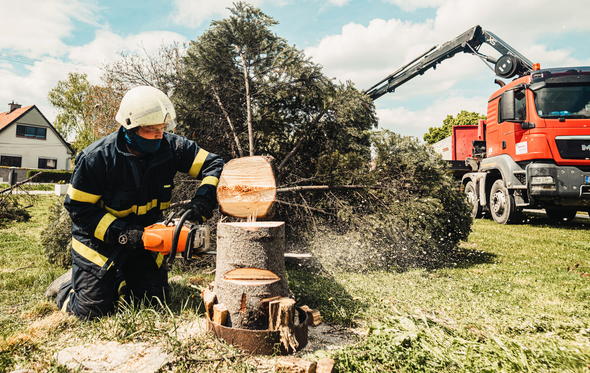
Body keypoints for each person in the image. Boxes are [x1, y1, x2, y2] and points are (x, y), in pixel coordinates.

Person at [51, 86, 224, 319]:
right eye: (151, 129)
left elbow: (214, 165)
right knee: (91, 311)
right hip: (98, 242)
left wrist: (203, 200)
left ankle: (118, 279)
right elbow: (79, 209)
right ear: (129, 128)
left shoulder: (172, 148)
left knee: (153, 302)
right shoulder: (96, 158)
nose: (159, 135)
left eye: (163, 128)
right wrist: (123, 233)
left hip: (145, 238)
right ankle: (65, 287)